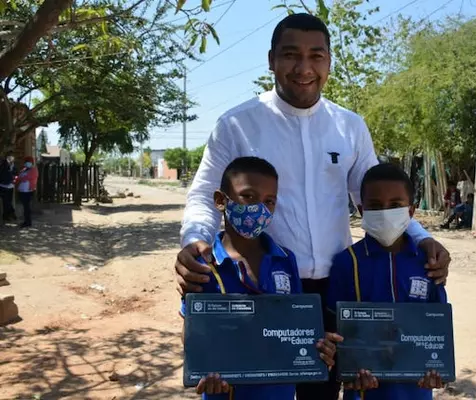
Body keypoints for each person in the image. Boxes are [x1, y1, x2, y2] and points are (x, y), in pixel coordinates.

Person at [173, 13, 451, 400]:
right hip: (268, 286)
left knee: (326, 389)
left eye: (316, 56)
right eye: (291, 55)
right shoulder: (236, 125)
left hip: (338, 287)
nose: (304, 68)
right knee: (265, 385)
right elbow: (204, 194)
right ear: (271, 59)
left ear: (329, 62)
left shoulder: (349, 126)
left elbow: (376, 198)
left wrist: (421, 237)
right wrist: (194, 240)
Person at [180, 156, 341, 399]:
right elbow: (191, 331)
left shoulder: (286, 261)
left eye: (269, 201)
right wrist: (201, 364)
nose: (260, 209)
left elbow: (297, 325)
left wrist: (319, 350)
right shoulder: (203, 266)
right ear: (221, 200)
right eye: (249, 197)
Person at [326, 163, 447, 400]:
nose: (385, 212)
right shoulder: (346, 263)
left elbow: (437, 327)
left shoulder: (429, 263)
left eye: (395, 205)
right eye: (375, 206)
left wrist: (438, 368)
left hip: (416, 390)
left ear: (411, 212)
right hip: (364, 392)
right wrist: (347, 366)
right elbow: (334, 328)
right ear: (361, 210)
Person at [15, 156, 38, 228]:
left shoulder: (34, 170)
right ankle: (26, 221)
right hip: (22, 191)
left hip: (28, 191)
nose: (27, 163)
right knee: (25, 207)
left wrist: (19, 178)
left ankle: (28, 222)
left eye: (29, 162)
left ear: (32, 162)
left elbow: (25, 178)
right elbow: (19, 177)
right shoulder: (24, 170)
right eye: (26, 162)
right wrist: (18, 178)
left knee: (27, 207)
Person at [0, 152, 17, 222]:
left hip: (10, 186)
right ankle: (11, 213)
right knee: (6, 202)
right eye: (10, 157)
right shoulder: (3, 164)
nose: (11, 158)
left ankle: (6, 216)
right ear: (7, 157)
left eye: (12, 157)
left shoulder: (13, 164)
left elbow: (15, 172)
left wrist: (14, 177)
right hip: (3, 186)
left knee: (8, 202)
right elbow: (3, 174)